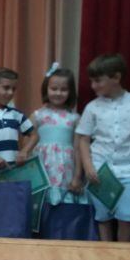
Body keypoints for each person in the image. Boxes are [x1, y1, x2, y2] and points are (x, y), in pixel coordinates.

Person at [76, 53, 130, 242]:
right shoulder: (92, 107)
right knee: (103, 218)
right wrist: (88, 167)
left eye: (98, 81)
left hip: (129, 171)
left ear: (116, 78)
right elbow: (83, 139)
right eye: (92, 81)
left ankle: (124, 258)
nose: (93, 86)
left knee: (128, 217)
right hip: (101, 172)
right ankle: (107, 258)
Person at [30, 64, 82, 206]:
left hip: (66, 167)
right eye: (54, 89)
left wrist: (77, 176)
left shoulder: (75, 118)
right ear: (46, 89)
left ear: (70, 92)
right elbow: (27, 144)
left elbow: (78, 149)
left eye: (64, 89)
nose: (58, 93)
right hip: (41, 165)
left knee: (64, 206)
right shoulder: (37, 116)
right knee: (41, 205)